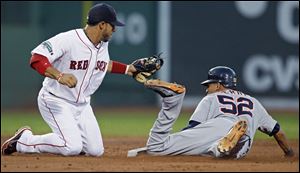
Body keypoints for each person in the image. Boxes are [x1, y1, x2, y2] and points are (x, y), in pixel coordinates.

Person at [1, 3, 143, 157]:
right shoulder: (69, 39)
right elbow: (37, 58)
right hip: (55, 100)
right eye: (112, 25)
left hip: (82, 105)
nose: (114, 29)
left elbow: (102, 65)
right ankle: (24, 141)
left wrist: (129, 69)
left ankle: (69, 141)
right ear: (102, 25)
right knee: (72, 147)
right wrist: (59, 75)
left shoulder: (102, 45)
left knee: (95, 151)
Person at [140, 66, 294, 159]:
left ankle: (172, 100)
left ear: (219, 85)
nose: (207, 88)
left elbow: (194, 128)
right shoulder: (254, 102)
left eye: (209, 84)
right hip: (244, 134)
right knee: (227, 152)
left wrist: (180, 142)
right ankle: (229, 143)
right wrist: (289, 153)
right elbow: (278, 133)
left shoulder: (211, 98)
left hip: (217, 126)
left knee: (156, 147)